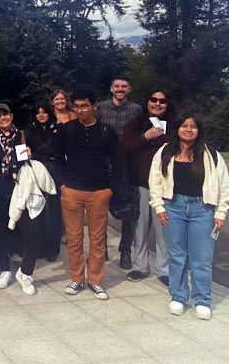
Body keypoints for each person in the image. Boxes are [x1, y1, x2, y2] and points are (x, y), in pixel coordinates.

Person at [149, 115, 229, 320]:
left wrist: (221, 213)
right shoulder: (166, 151)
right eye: (184, 126)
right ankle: (178, 296)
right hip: (173, 207)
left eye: (193, 126)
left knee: (202, 258)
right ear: (177, 129)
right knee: (177, 256)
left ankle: (202, 299)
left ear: (199, 130)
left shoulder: (211, 154)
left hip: (202, 210)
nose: (188, 130)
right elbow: (155, 180)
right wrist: (159, 207)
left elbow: (223, 186)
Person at [57, 91, 117, 300]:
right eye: (77, 107)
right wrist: (63, 185)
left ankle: (95, 280)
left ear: (94, 106)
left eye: (84, 106)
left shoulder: (106, 131)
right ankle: (77, 278)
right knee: (74, 238)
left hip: (99, 191)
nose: (80, 110)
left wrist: (110, 188)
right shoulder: (67, 130)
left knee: (97, 239)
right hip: (72, 190)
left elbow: (117, 161)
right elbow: (57, 158)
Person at [120, 90, 176, 286]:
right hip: (140, 183)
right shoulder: (135, 125)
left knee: (164, 230)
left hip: (165, 186)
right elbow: (124, 150)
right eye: (154, 100)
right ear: (147, 102)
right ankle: (140, 266)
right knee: (140, 228)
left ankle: (164, 269)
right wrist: (145, 136)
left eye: (162, 100)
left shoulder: (175, 127)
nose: (158, 103)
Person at [0, 103, 40, 295]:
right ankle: (4, 269)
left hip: (21, 189)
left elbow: (30, 160)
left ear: (11, 115)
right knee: (1, 231)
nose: (2, 118)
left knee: (32, 231)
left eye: (5, 114)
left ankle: (25, 272)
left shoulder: (22, 135)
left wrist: (32, 155)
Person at [96, 76, 142, 270]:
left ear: (129, 89)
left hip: (126, 164)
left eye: (124, 86)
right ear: (111, 88)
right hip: (103, 164)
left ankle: (125, 251)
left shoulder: (137, 110)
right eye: (117, 86)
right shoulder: (101, 108)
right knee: (100, 209)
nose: (120, 89)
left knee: (128, 210)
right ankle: (101, 248)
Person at [25, 102, 63, 262]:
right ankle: (39, 246)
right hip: (35, 172)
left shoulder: (58, 129)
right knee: (37, 209)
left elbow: (57, 152)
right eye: (38, 112)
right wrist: (38, 155)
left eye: (44, 112)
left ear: (49, 113)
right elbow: (25, 151)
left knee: (54, 211)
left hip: (55, 172)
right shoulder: (29, 131)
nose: (41, 115)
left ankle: (53, 248)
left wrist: (37, 154)